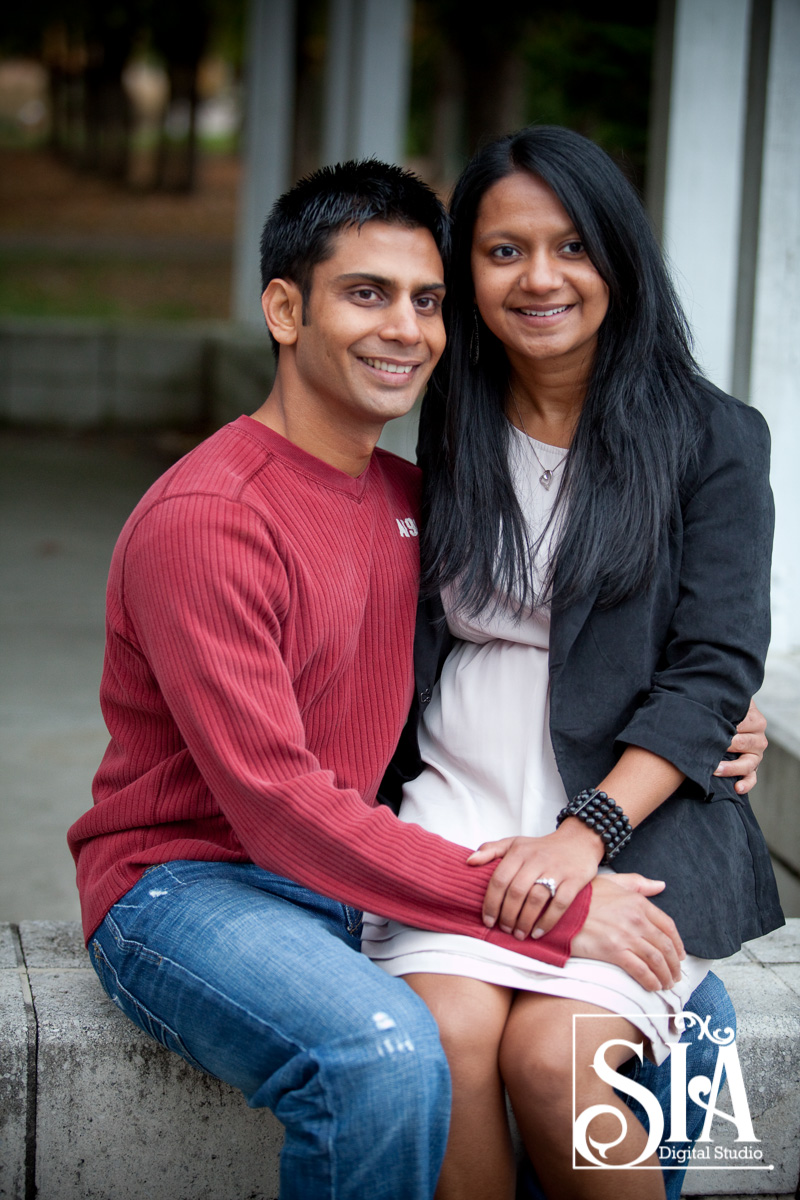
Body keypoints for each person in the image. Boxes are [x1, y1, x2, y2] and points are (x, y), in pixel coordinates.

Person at [66, 159, 766, 1200]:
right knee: (397, 1052)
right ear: (282, 309)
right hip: (198, 878)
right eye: (365, 294)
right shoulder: (212, 517)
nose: (403, 328)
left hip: (378, 870)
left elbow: (634, 642)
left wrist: (709, 716)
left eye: (421, 300)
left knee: (588, 1054)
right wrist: (544, 900)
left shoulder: (410, 490)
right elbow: (279, 804)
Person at [364, 126, 781, 1200]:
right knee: (440, 1051)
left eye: (570, 247)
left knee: (553, 1060)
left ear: (617, 258)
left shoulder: (712, 437)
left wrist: (581, 832)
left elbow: (714, 664)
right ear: (466, 273)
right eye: (502, 252)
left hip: (628, 825)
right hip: (454, 810)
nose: (538, 278)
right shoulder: (448, 414)